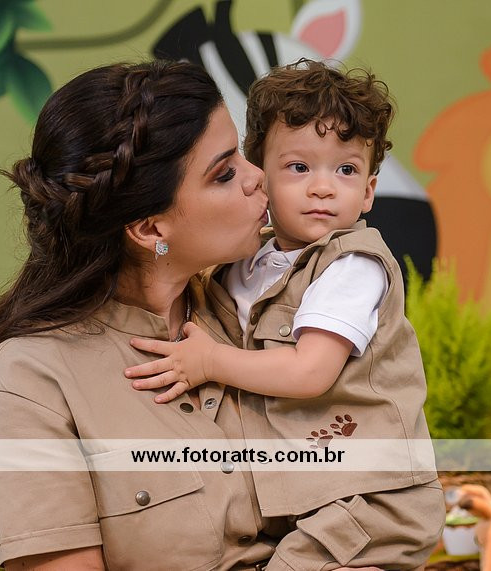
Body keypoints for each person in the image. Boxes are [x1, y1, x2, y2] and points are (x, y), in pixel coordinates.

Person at [0, 60, 290, 570]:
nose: (258, 176)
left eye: (242, 156)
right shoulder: (28, 381)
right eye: (224, 174)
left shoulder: (273, 309)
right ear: (150, 229)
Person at [126, 59, 445, 570]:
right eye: (299, 168)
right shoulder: (244, 264)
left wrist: (209, 362)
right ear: (260, 177)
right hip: (307, 501)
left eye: (346, 170)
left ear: (368, 191)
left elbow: (309, 370)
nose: (323, 187)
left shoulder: (352, 266)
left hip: (370, 500)